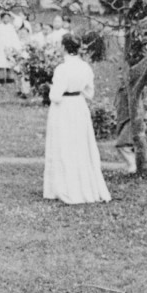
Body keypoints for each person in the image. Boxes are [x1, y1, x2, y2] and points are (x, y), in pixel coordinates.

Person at [43, 34, 112, 205]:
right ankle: (81, 185)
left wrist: (50, 89)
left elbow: (55, 96)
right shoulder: (85, 67)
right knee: (79, 145)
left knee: (63, 144)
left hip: (63, 108)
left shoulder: (62, 69)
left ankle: (63, 187)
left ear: (64, 47)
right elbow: (90, 93)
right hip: (79, 107)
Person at [0, 12, 22, 85]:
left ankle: (10, 80)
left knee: (10, 65)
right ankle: (0, 81)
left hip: (10, 49)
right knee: (1, 65)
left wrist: (16, 48)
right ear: (1, 19)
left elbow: (15, 38)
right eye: (4, 17)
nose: (6, 19)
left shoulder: (12, 27)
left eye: (8, 17)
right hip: (1, 48)